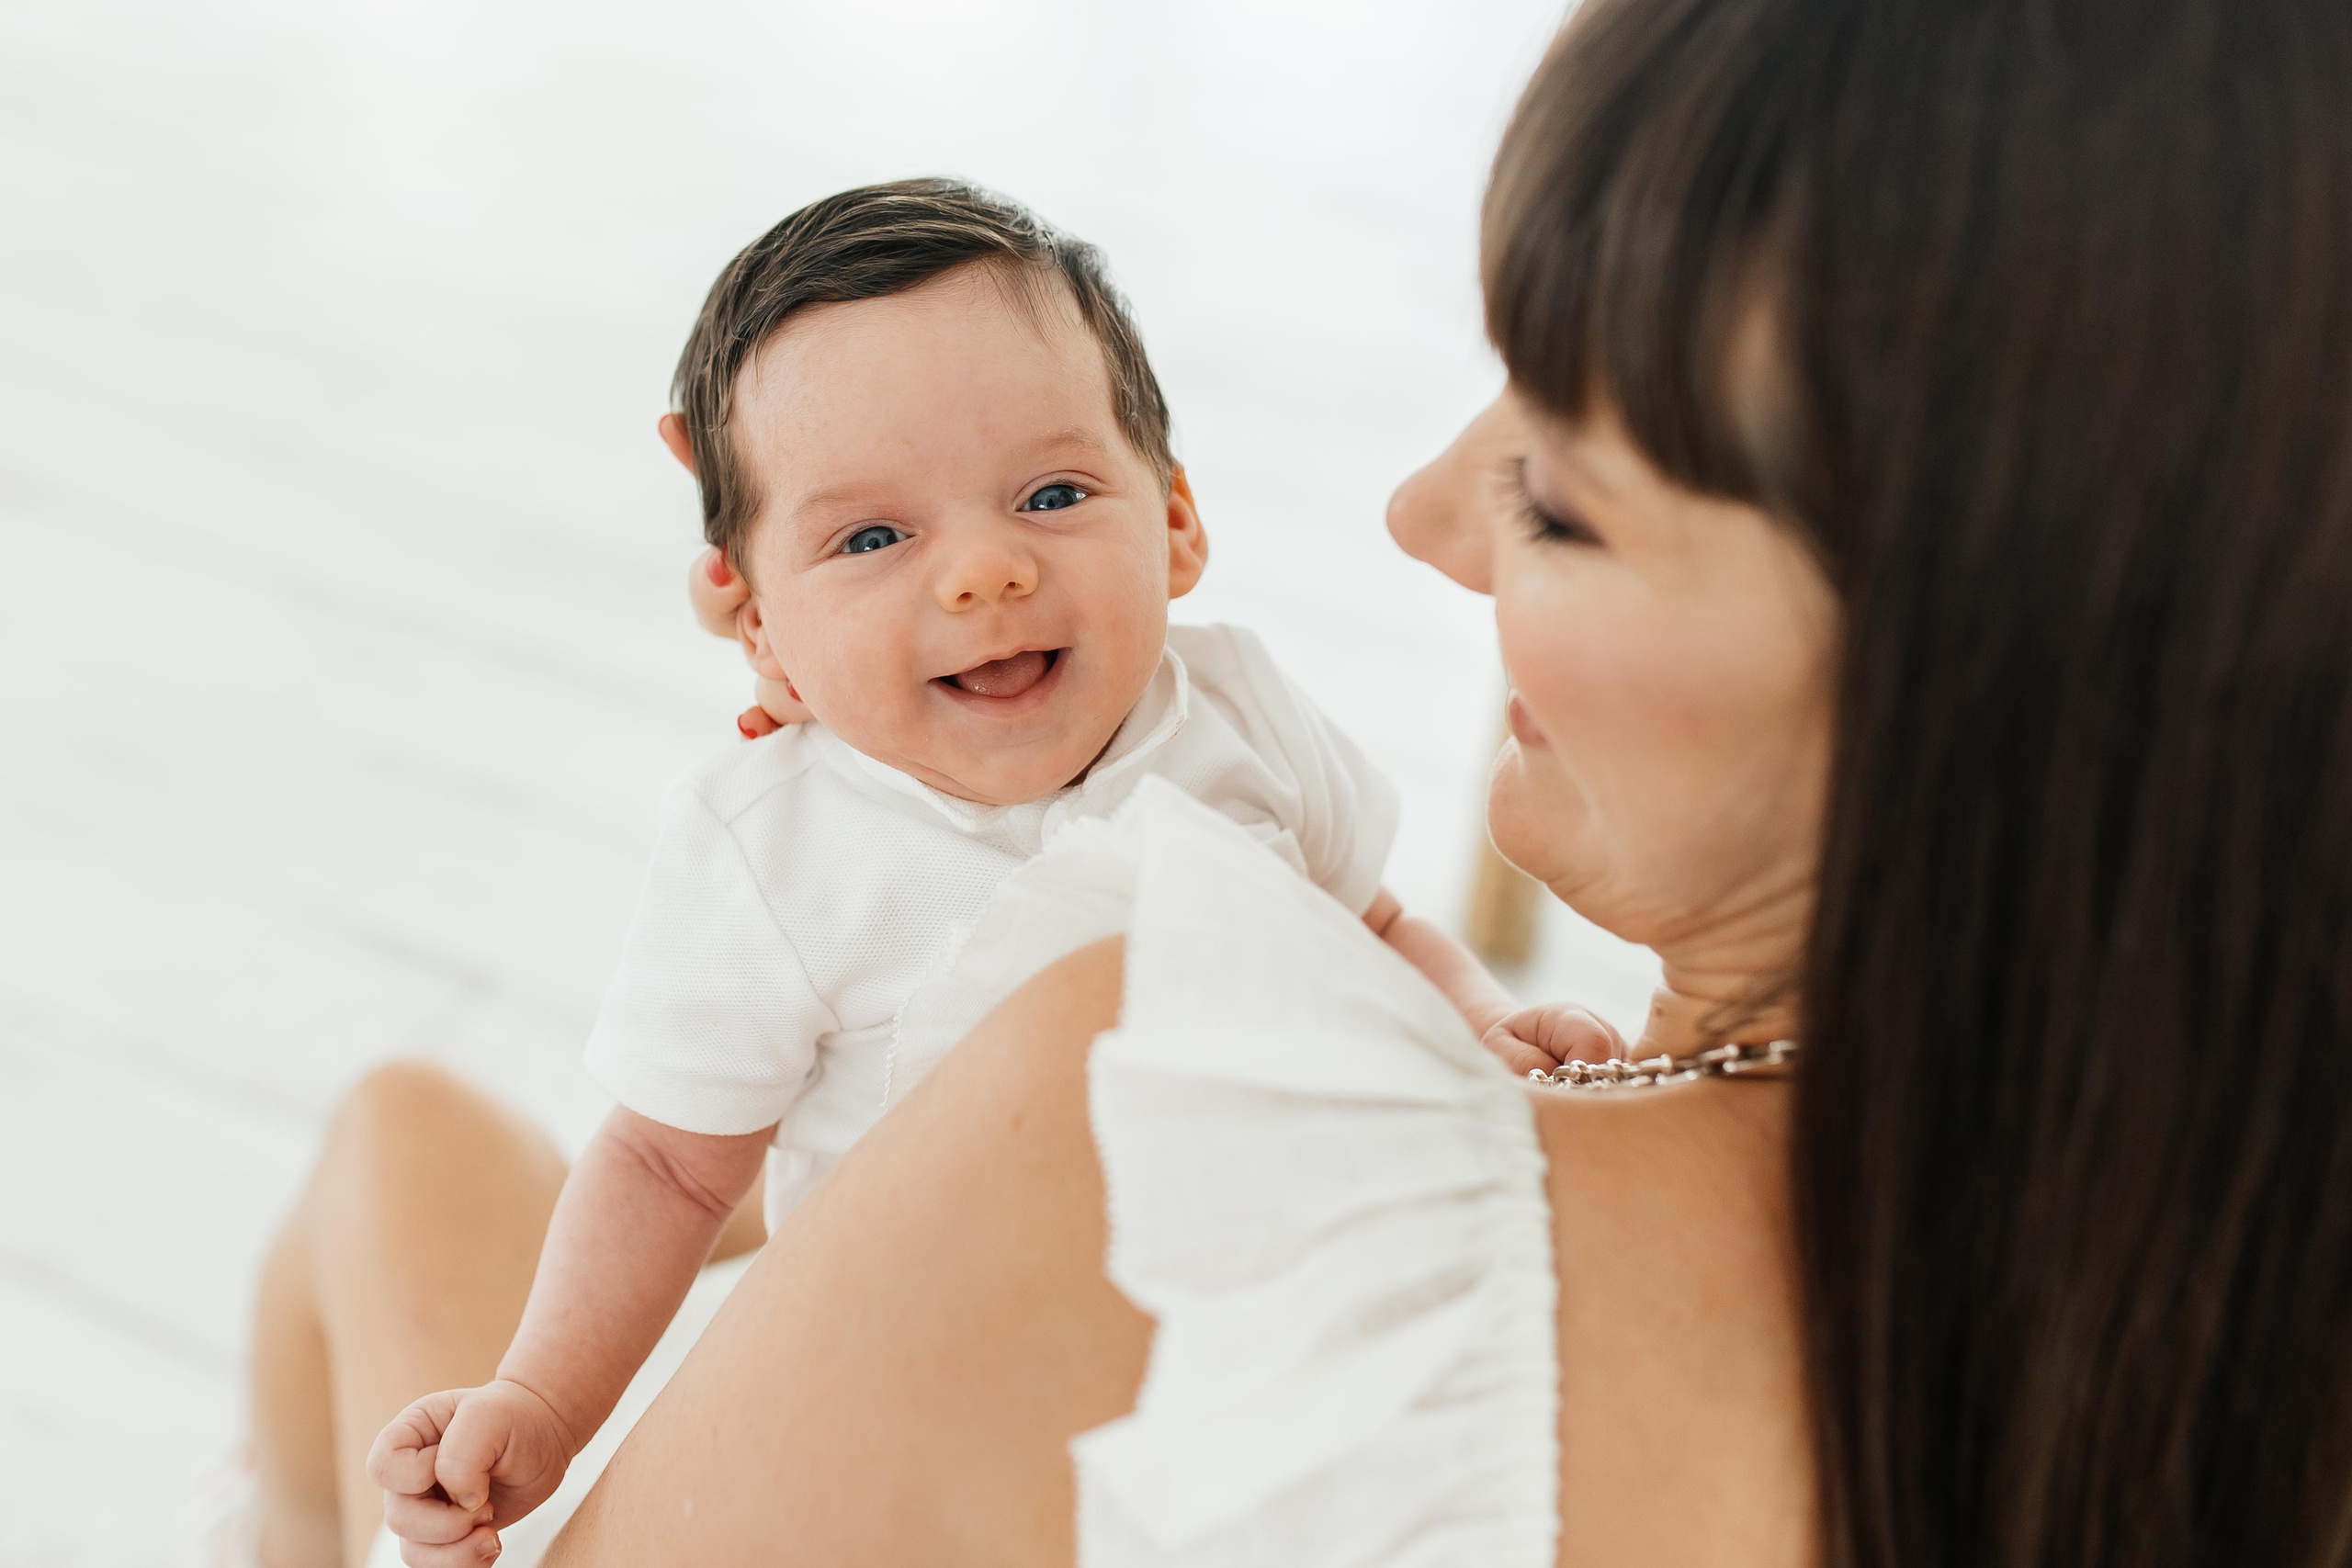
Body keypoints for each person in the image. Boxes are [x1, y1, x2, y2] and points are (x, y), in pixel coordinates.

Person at [256, 0, 2352, 1561]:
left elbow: (1329, 933)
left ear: (1978, 666)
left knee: (390, 1139)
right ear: (747, 603)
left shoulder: (1133, 1100)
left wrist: (710, 1332)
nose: (1421, 509)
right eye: (864, 537)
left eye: (1561, 496)